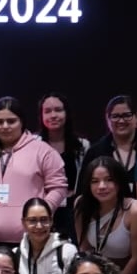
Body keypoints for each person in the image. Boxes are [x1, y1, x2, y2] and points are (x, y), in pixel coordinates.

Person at [0, 96, 68, 245]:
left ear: (21, 122)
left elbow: (58, 187)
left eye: (11, 121)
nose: (5, 126)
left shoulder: (42, 151)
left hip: (34, 240)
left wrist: (40, 214)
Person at [72, 156, 137, 274]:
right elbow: (84, 249)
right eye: (95, 181)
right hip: (98, 272)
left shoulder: (136, 211)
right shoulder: (81, 204)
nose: (102, 186)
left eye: (109, 180)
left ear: (119, 182)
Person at [38, 92, 88, 233]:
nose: (53, 115)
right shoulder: (33, 145)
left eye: (58, 110)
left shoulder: (83, 146)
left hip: (73, 211)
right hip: (42, 210)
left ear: (67, 113)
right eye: (47, 111)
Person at [17, 197, 74, 274]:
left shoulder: (66, 252)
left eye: (44, 219)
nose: (39, 226)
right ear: (24, 222)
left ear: (51, 221)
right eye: (32, 220)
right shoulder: (16, 255)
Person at [85, 95, 137, 177]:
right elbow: (83, 187)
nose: (121, 121)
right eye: (115, 116)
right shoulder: (95, 153)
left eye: (127, 115)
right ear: (107, 119)